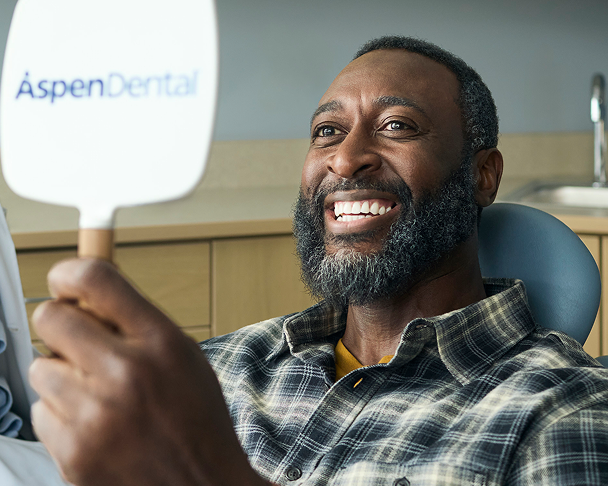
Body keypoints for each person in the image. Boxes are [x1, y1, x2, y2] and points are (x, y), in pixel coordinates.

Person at [28, 36, 608, 485]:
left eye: (396, 126)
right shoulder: (208, 375)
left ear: (483, 175)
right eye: (326, 132)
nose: (347, 158)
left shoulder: (563, 412)